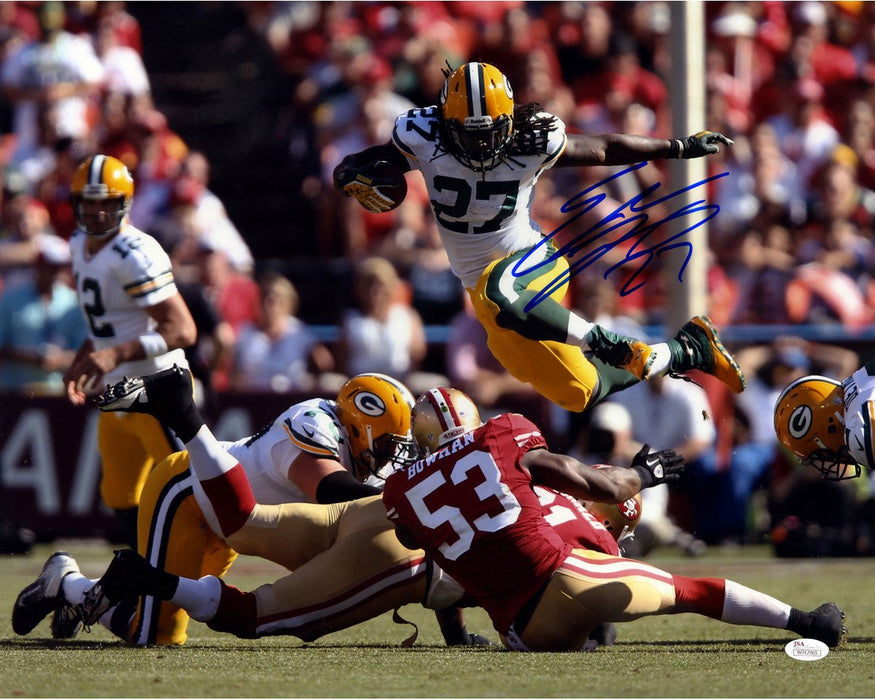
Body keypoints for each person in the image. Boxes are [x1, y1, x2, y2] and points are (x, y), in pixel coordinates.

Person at [15, 368, 633, 648]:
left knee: (167, 616)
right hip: (191, 495)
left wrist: (456, 630)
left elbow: (435, 537)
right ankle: (70, 584)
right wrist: (413, 500)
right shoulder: (312, 422)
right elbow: (333, 496)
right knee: (153, 636)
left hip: (249, 526)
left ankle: (87, 594)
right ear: (358, 423)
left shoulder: (391, 463)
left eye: (402, 449)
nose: (393, 457)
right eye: (389, 445)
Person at [333, 61, 745, 415]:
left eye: (490, 132)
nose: (480, 143)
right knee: (578, 392)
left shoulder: (532, 138)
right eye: (469, 133)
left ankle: (610, 342)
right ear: (444, 122)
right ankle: (688, 349)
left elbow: (602, 148)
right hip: (483, 290)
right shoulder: (422, 133)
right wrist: (349, 172)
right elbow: (371, 160)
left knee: (502, 290)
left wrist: (675, 146)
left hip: (532, 262)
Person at [381, 386, 846, 651]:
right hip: (566, 575)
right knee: (689, 590)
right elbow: (604, 490)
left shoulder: (405, 492)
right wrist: (645, 473)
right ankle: (805, 622)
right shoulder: (516, 454)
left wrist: (459, 639)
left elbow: (438, 577)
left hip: (520, 634)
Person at [62, 154, 197, 548]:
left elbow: (183, 330)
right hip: (116, 390)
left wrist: (115, 355)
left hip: (157, 389)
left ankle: (200, 582)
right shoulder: (77, 245)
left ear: (124, 202)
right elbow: (106, 323)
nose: (97, 211)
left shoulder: (135, 252)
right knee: (120, 494)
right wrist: (85, 357)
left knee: (186, 488)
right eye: (89, 201)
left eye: (106, 201)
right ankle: (145, 575)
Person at [773, 358, 875, 482]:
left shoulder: (860, 434)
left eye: (821, 454)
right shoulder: (858, 380)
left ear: (829, 428)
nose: (828, 458)